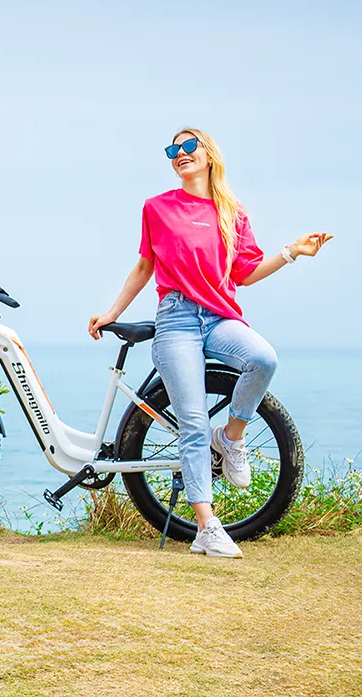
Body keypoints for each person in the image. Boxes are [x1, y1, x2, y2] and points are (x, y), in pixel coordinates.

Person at [88, 127, 331, 559]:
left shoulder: (231, 212)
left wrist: (292, 252)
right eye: (172, 150)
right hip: (177, 320)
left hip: (219, 317)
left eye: (187, 147)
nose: (179, 154)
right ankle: (207, 526)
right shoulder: (158, 208)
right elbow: (145, 267)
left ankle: (232, 437)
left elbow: (245, 273)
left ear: (208, 156)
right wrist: (113, 313)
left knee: (263, 358)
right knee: (193, 424)